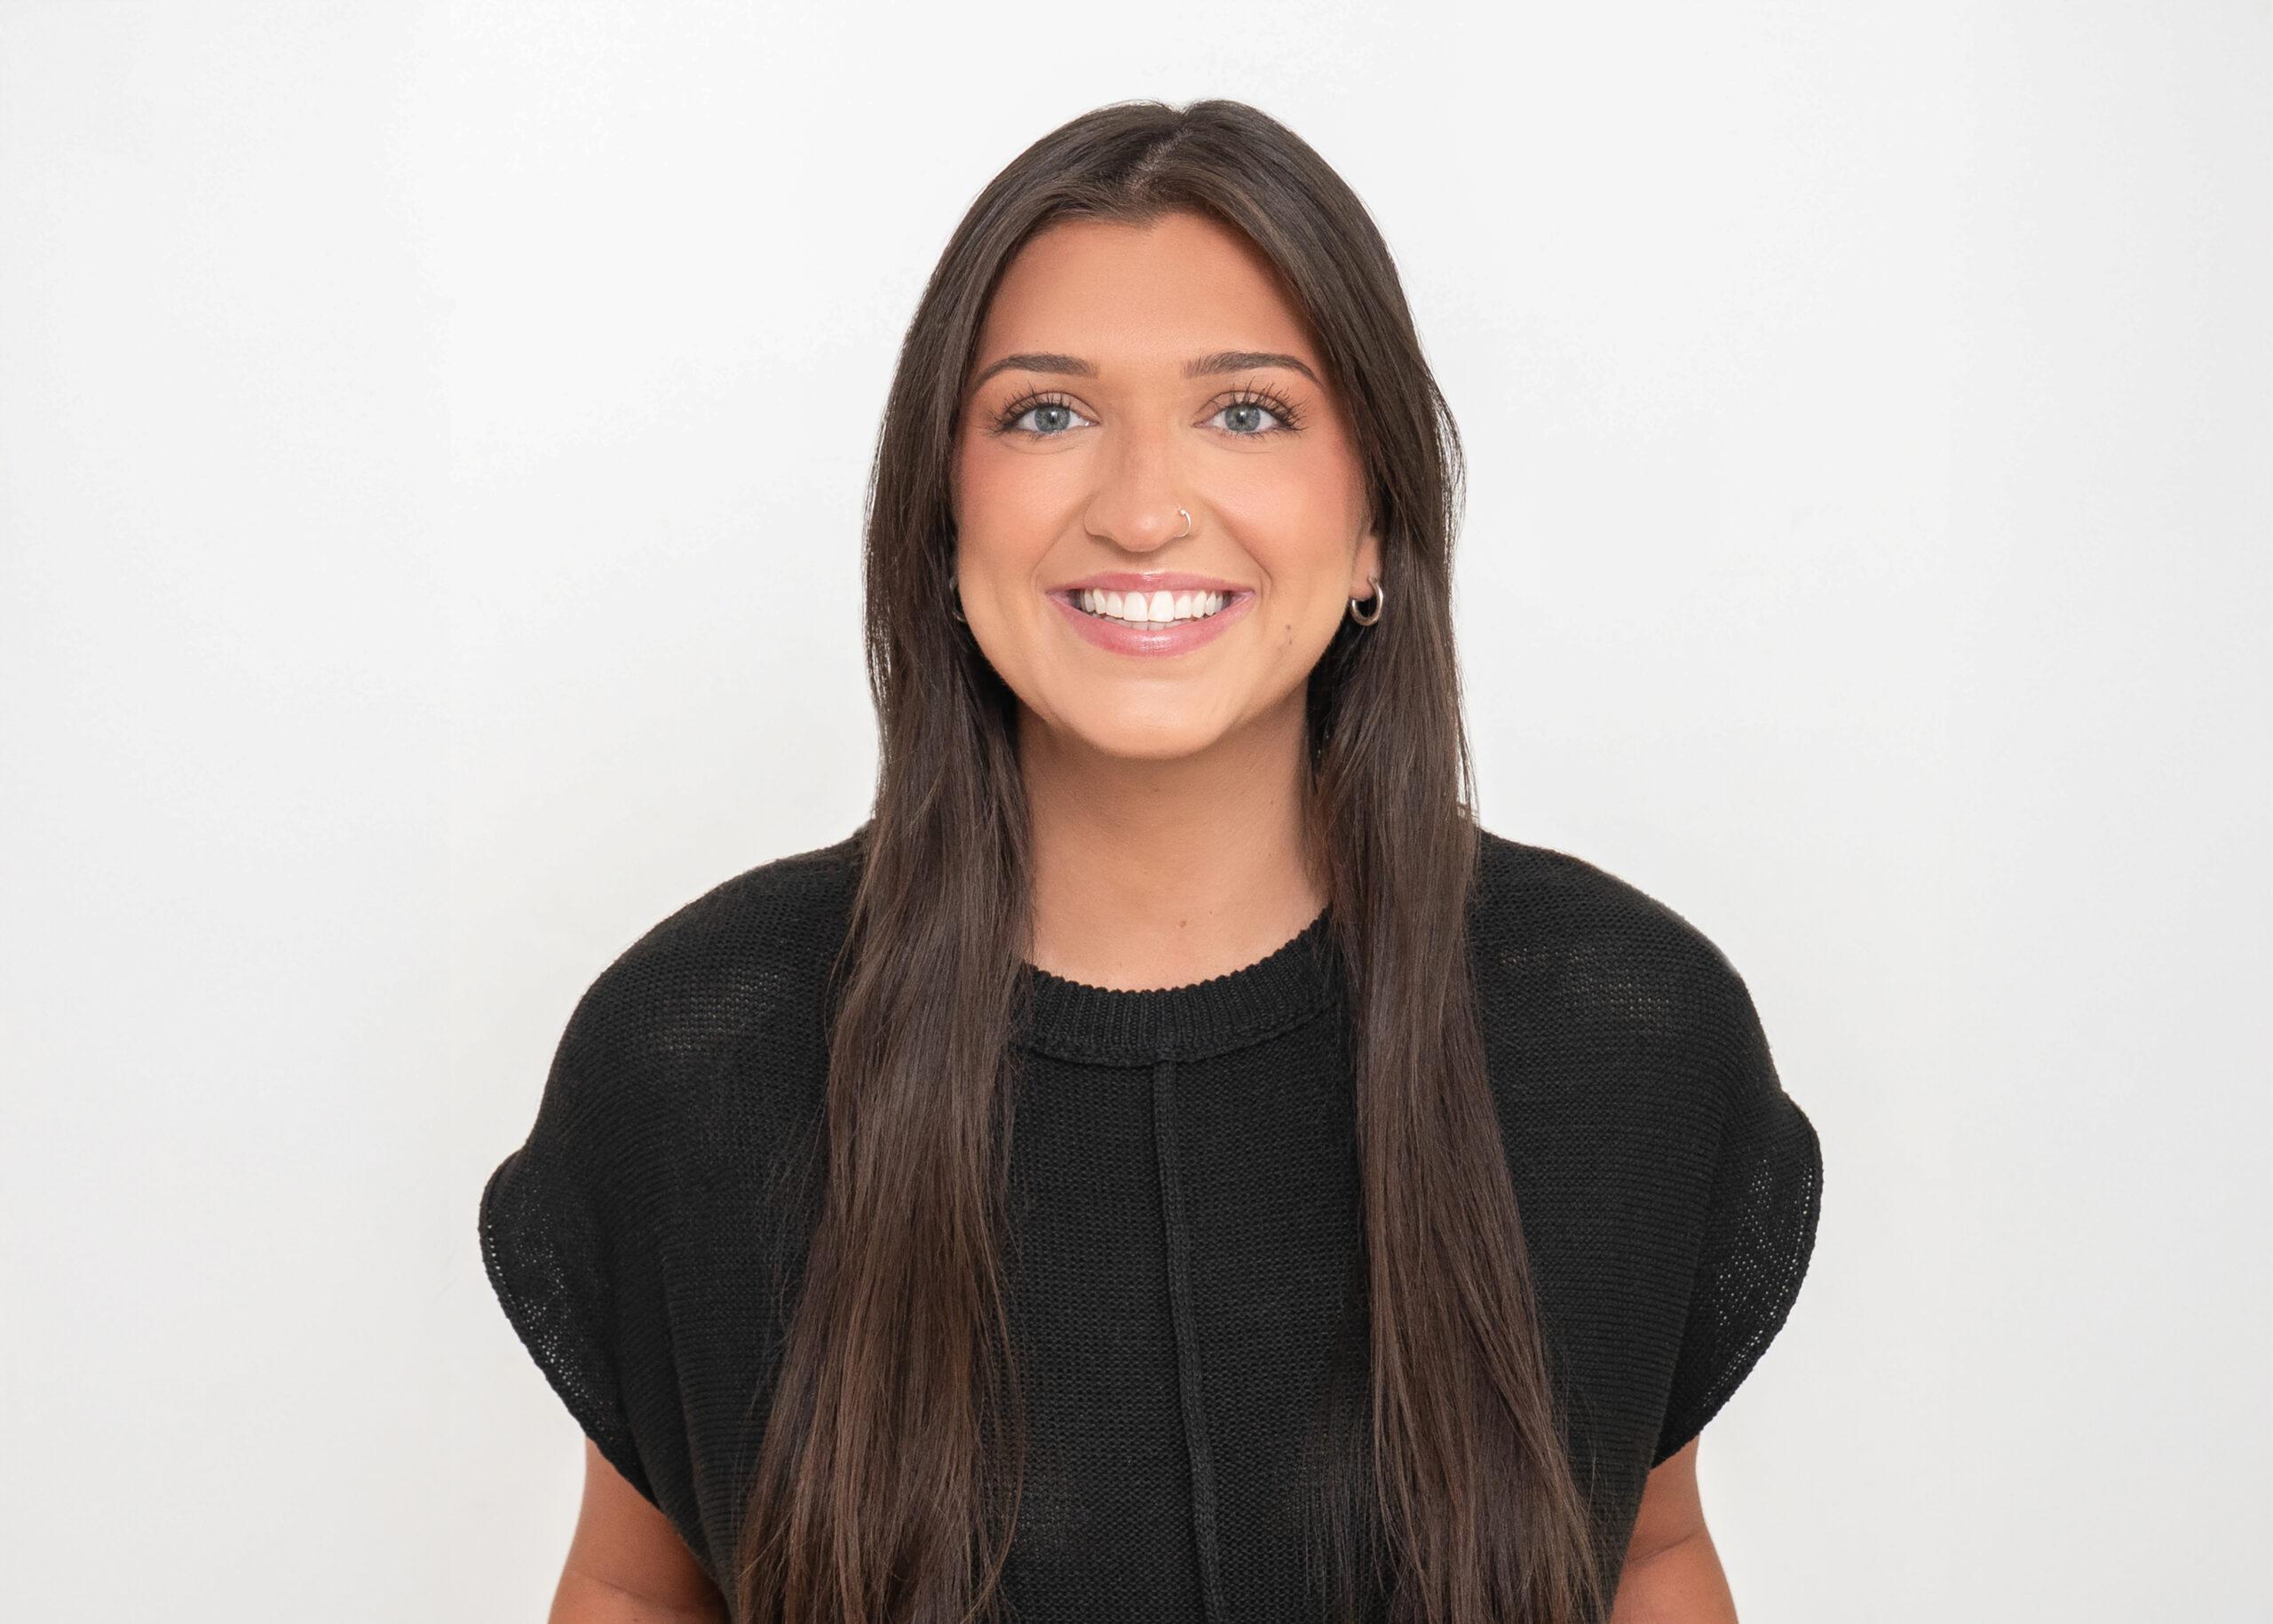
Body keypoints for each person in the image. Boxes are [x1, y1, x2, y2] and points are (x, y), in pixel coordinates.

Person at [478, 98, 1824, 1624]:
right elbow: (636, 1588)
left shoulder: (1620, 1036)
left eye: (1247, 410)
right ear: (941, 509)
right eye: (1046, 414)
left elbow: (1644, 1551)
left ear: (1376, 518)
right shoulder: (696, 1056)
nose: (1140, 510)